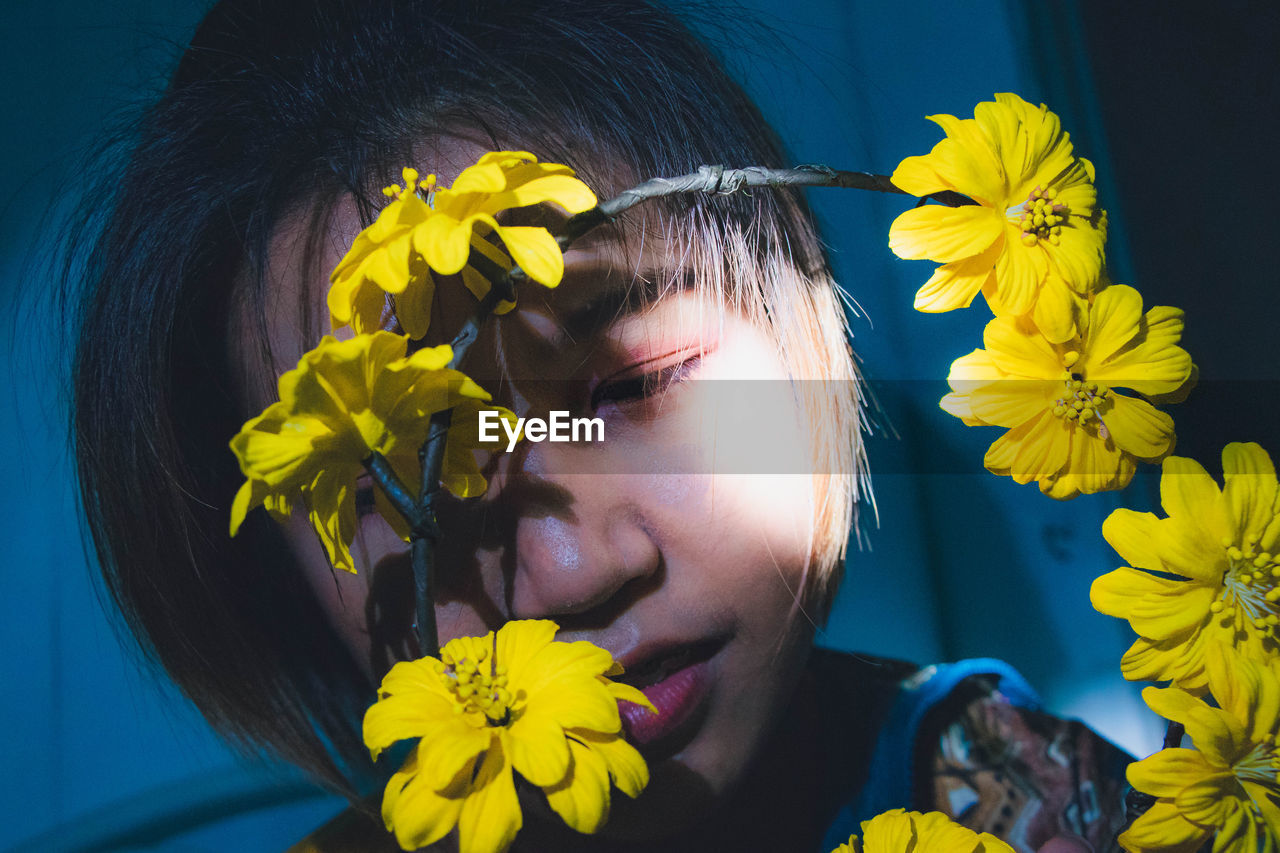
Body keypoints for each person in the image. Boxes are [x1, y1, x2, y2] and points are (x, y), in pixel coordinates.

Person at [67, 0, 1131, 850]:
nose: (574, 570)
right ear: (267, 582)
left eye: (629, 386)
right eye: (392, 479)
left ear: (800, 317)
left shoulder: (1041, 796)